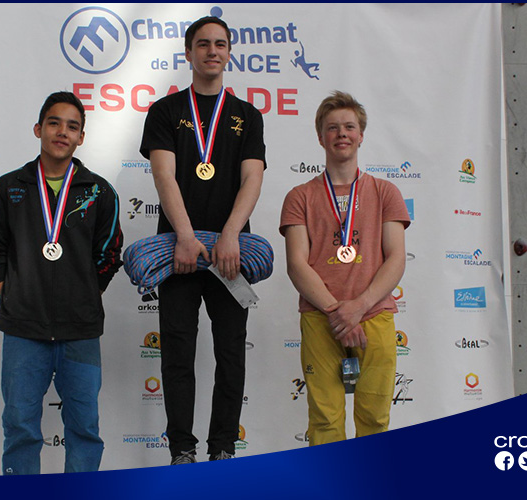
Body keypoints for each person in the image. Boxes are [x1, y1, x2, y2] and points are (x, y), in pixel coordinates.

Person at [139, 15, 266, 464]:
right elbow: (164, 175)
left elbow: (252, 178)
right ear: (189, 52)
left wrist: (230, 235)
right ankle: (182, 450)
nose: (212, 51)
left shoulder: (248, 115)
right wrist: (186, 237)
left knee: (231, 353)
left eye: (220, 44)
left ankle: (223, 448)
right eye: (203, 44)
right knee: (177, 353)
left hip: (231, 255)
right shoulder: (165, 111)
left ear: (229, 52)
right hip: (179, 252)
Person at [0, 91, 123, 473]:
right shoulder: (9, 187)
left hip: (80, 330)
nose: (62, 132)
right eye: (54, 123)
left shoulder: (99, 192)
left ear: (81, 137)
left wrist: (84, 293)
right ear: (38, 129)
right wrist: (13, 292)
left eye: (72, 126)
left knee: (84, 430)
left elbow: (110, 253)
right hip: (24, 330)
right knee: (20, 428)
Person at [279, 91, 409, 445]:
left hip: (374, 315)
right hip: (321, 318)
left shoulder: (385, 192)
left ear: (361, 135)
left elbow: (396, 258)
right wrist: (339, 313)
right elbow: (296, 264)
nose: (341, 134)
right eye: (332, 127)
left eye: (349, 127)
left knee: (375, 418)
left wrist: (359, 307)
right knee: (324, 421)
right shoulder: (299, 196)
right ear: (320, 137)